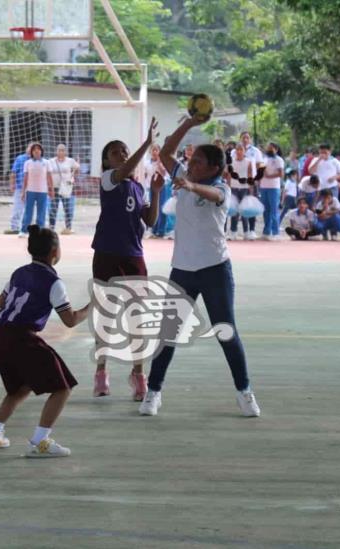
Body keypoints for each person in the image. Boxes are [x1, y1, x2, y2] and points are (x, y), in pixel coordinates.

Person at [141, 114, 260, 418]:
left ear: (214, 168)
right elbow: (166, 152)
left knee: (226, 332)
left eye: (197, 163)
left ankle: (244, 392)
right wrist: (189, 123)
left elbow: (213, 195)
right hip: (181, 269)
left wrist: (191, 186)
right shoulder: (183, 173)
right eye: (191, 161)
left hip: (214, 269)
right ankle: (153, 393)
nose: (190, 164)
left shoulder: (221, 188)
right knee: (168, 333)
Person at [0, 226, 90, 457]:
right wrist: (92, 307)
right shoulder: (53, 282)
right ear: (54, 251)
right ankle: (40, 442)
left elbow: (0, 302)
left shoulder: (18, 272)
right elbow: (70, 320)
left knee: (20, 388)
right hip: (23, 338)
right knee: (63, 387)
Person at [91, 118, 163, 401]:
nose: (121, 154)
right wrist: (147, 143)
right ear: (107, 161)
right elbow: (124, 169)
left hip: (133, 255)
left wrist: (156, 192)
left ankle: (138, 374)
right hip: (107, 253)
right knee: (106, 315)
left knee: (137, 318)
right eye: (116, 152)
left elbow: (151, 220)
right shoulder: (109, 180)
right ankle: (101, 372)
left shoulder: (137, 187)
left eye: (124, 150)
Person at [19, 143, 53, 237]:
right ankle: (24, 230)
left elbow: (49, 177)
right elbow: (25, 178)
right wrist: (23, 192)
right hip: (30, 191)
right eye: (34, 149)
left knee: (41, 212)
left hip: (43, 191)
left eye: (38, 149)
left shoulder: (46, 162)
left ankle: (40, 231)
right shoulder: (28, 163)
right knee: (28, 211)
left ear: (41, 151)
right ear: (31, 152)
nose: (36, 151)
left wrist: (51, 189)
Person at [48, 144, 80, 235]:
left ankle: (68, 228)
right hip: (54, 188)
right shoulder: (51, 161)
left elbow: (77, 169)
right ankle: (51, 227)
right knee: (53, 209)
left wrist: (72, 178)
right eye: (59, 150)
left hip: (65, 188)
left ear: (65, 151)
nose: (61, 152)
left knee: (67, 208)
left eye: (63, 150)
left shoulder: (70, 161)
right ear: (56, 151)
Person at [227, 142, 257, 240]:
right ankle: (233, 232)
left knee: (245, 210)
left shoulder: (248, 162)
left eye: (241, 150)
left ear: (244, 151)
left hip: (245, 188)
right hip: (234, 188)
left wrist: (251, 189)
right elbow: (229, 175)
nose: (239, 151)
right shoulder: (231, 162)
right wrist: (228, 187)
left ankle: (246, 232)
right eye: (237, 150)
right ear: (235, 151)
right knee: (234, 211)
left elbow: (250, 175)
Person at [144, 144, 172, 239]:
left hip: (162, 187)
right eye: (153, 150)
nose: (154, 152)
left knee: (162, 208)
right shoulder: (147, 163)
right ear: (150, 152)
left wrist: (160, 162)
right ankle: (153, 229)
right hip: (150, 188)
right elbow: (145, 175)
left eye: (156, 150)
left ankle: (161, 230)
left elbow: (164, 173)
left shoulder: (163, 162)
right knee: (152, 208)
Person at [5, 143, 33, 235]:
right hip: (20, 188)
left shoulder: (36, 160)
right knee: (17, 208)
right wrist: (12, 185)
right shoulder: (20, 158)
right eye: (29, 147)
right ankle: (14, 227)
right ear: (26, 148)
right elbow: (13, 173)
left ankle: (27, 227)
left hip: (32, 189)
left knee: (29, 209)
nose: (30, 149)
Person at [259, 142, 284, 240]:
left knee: (274, 210)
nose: (269, 149)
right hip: (263, 186)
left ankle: (276, 232)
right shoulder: (263, 158)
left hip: (274, 187)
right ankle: (266, 232)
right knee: (266, 210)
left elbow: (281, 174)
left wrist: (270, 176)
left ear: (276, 149)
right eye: (268, 147)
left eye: (272, 148)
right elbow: (260, 171)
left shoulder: (279, 159)